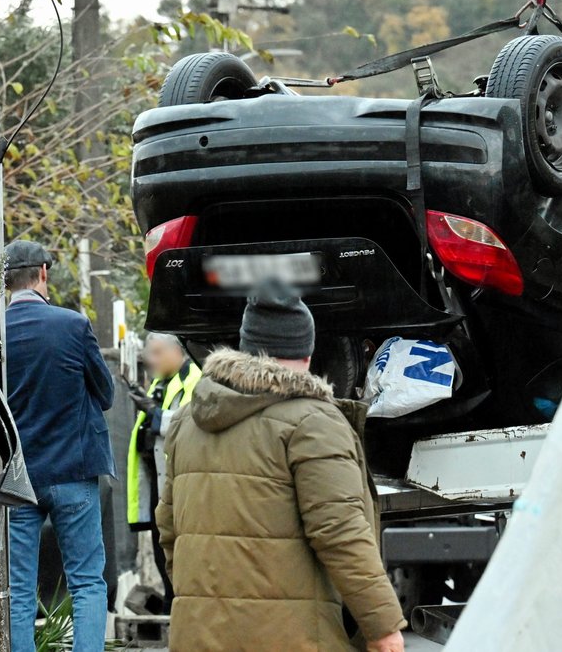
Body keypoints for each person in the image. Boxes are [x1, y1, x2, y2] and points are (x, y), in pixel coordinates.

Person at [156, 278, 407, 652]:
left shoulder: (187, 421)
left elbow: (169, 529)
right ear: (306, 353)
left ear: (246, 346)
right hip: (292, 637)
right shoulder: (312, 422)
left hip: (200, 635)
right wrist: (383, 626)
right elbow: (339, 531)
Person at [3, 240, 115, 652]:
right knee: (86, 581)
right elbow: (105, 394)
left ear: (6, 282)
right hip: (74, 470)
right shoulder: (72, 325)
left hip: (17, 480)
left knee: (18, 587)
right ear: (43, 275)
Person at [126, 332, 201, 613]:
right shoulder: (161, 381)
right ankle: (172, 602)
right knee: (161, 544)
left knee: (177, 546)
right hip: (158, 479)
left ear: (176, 351)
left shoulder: (194, 379)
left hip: (180, 482)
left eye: (157, 353)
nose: (151, 359)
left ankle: (182, 605)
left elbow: (189, 421)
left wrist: (154, 413)